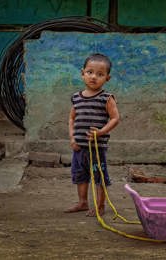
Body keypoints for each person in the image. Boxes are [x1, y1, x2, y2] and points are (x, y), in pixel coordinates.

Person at [64, 53, 120, 216]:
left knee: (99, 176)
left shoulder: (106, 98)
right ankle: (82, 202)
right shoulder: (76, 97)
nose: (94, 77)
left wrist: (102, 132)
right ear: (82, 73)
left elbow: (115, 118)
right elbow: (71, 118)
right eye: (90, 72)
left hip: (97, 147)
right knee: (80, 175)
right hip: (79, 147)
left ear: (107, 78)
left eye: (100, 74)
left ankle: (100, 206)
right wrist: (72, 138)